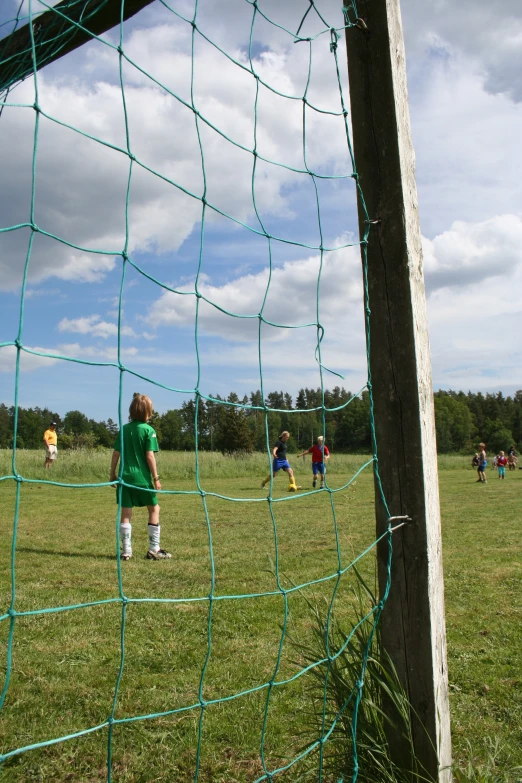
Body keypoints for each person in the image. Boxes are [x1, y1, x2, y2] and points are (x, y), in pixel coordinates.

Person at [109, 394, 171, 561]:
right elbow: (149, 456)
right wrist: (156, 478)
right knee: (154, 509)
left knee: (126, 513)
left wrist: (112, 474)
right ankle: (154, 549)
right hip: (142, 479)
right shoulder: (148, 431)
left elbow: (116, 453)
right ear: (148, 412)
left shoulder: (124, 429)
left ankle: (126, 551)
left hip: (124, 478)